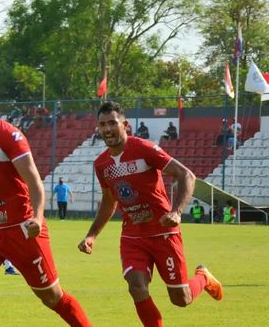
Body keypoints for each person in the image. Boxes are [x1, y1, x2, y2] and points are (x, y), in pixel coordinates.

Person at [0, 77, 91, 326]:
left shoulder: (9, 135)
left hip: (21, 230)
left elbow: (34, 181)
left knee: (52, 297)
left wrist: (37, 216)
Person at [77, 101, 223, 327]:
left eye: (112, 123)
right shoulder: (101, 165)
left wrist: (176, 211)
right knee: (136, 286)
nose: (107, 129)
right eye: (102, 124)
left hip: (163, 231)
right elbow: (109, 202)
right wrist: (91, 235)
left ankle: (203, 277)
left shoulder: (143, 149)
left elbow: (186, 175)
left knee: (181, 299)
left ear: (124, 125)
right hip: (133, 235)